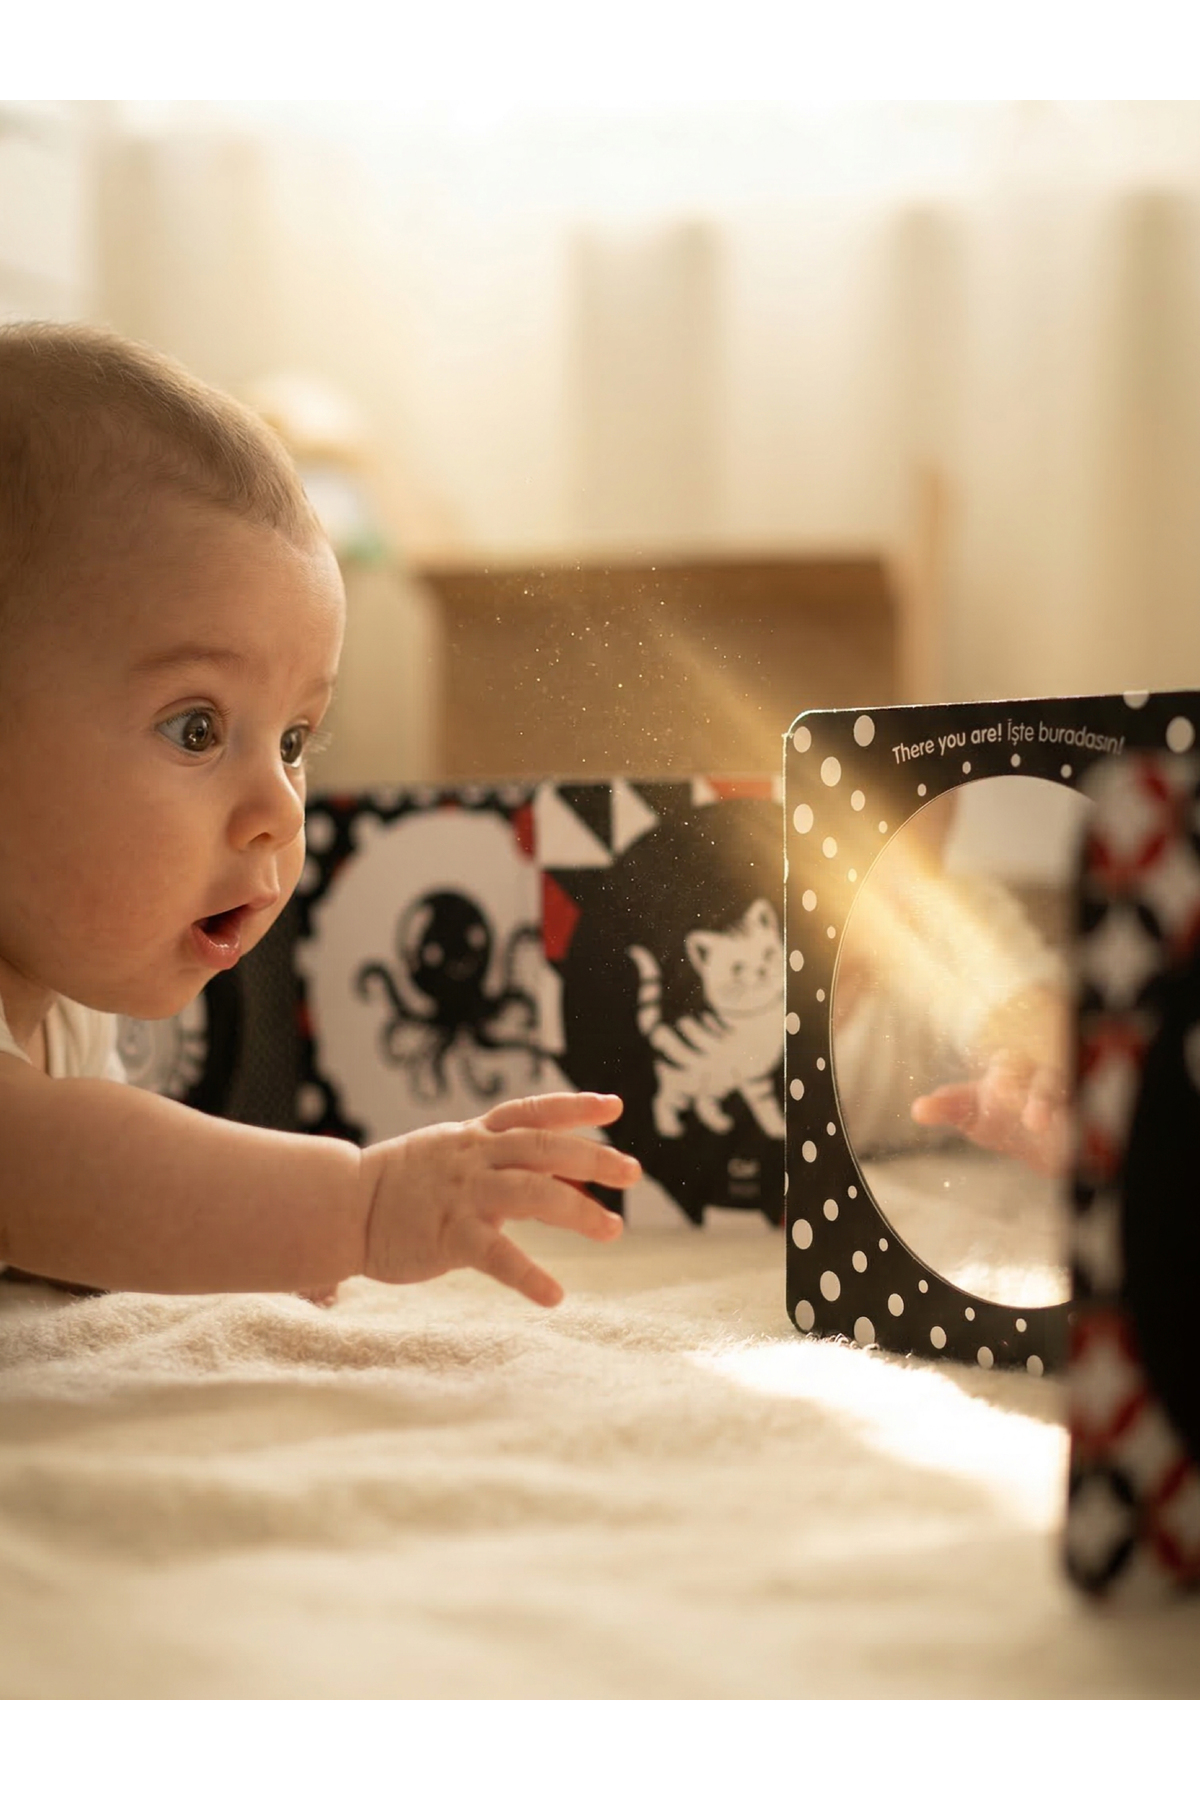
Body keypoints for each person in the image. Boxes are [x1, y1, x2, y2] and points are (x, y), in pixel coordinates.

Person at [0, 322, 638, 1307]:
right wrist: (358, 1205)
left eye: (295, 740)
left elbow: (85, 1226)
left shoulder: (65, 1001)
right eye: (197, 728)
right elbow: (59, 1174)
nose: (277, 811)